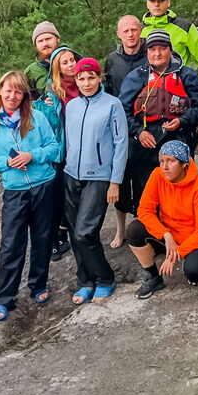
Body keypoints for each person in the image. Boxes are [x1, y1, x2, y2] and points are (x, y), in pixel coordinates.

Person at [0, 71, 61, 321]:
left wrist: (32, 156)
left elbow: (53, 147)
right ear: (0, 91)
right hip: (14, 190)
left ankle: (38, 286)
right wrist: (8, 162)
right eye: (8, 90)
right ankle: (4, 297)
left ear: (24, 94)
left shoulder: (37, 117)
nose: (12, 96)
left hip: (43, 184)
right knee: (11, 244)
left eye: (18, 91)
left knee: (42, 237)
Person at [60, 58, 127, 304]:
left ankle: (105, 279)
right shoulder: (72, 106)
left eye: (91, 77)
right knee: (74, 233)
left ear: (99, 78)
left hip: (99, 177)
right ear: (75, 80)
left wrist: (115, 181)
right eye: (81, 78)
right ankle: (85, 281)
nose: (86, 83)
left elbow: (121, 144)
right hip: (71, 175)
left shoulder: (113, 105)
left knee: (85, 233)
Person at [118, 30, 198, 213]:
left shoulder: (187, 76)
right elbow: (121, 111)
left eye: (162, 49)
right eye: (152, 49)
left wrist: (182, 121)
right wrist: (138, 132)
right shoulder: (136, 77)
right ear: (147, 52)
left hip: (178, 135)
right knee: (146, 191)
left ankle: (179, 221)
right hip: (145, 139)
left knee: (177, 189)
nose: (157, 54)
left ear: (170, 50)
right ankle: (146, 224)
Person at [128, 140, 198, 298]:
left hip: (197, 238)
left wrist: (176, 254)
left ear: (184, 164)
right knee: (134, 230)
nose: (164, 167)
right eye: (162, 161)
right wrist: (165, 234)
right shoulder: (158, 175)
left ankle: (189, 260)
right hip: (170, 233)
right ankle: (154, 277)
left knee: (195, 274)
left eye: (171, 161)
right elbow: (144, 210)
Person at [101, 15, 147, 247]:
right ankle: (120, 230)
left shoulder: (151, 54)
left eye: (134, 29)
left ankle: (140, 229)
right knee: (120, 179)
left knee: (143, 181)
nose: (130, 34)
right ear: (118, 34)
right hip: (120, 127)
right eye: (125, 31)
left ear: (140, 30)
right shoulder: (112, 60)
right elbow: (107, 91)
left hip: (147, 126)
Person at [39, 46, 79, 261]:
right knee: (58, 194)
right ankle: (55, 238)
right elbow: (48, 126)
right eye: (65, 62)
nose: (71, 64)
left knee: (74, 194)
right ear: (57, 68)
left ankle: (68, 231)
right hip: (62, 151)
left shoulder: (86, 83)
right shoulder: (52, 92)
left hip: (82, 148)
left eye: (72, 60)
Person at [140, 0, 198, 86]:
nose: (157, 4)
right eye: (152, 0)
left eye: (161, 0)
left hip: (180, 90)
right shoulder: (139, 30)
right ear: (147, 3)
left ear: (168, 2)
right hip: (148, 92)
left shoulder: (184, 27)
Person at [25, 21, 61, 99]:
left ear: (58, 39)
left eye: (48, 39)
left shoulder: (73, 62)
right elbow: (25, 102)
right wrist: (42, 103)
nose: (45, 44)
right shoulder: (31, 72)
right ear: (36, 46)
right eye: (40, 41)